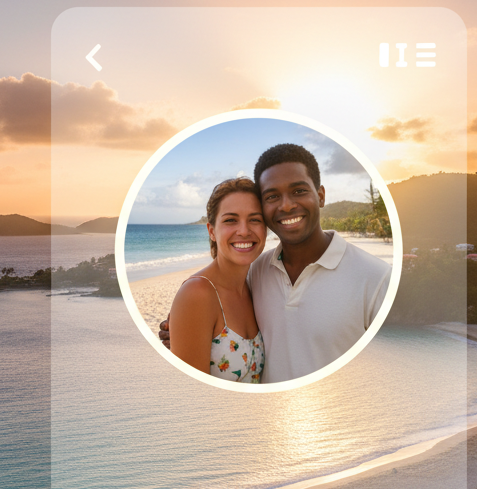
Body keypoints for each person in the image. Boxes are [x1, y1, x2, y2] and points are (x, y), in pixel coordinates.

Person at [161, 143, 391, 383]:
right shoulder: (258, 271)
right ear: (211, 231)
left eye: (299, 191)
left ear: (321, 195)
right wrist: (180, 328)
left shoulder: (376, 278)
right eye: (272, 196)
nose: (286, 205)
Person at [168, 177, 266, 383]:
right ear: (212, 231)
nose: (244, 230)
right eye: (231, 220)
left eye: (255, 219)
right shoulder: (198, 293)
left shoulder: (256, 283)